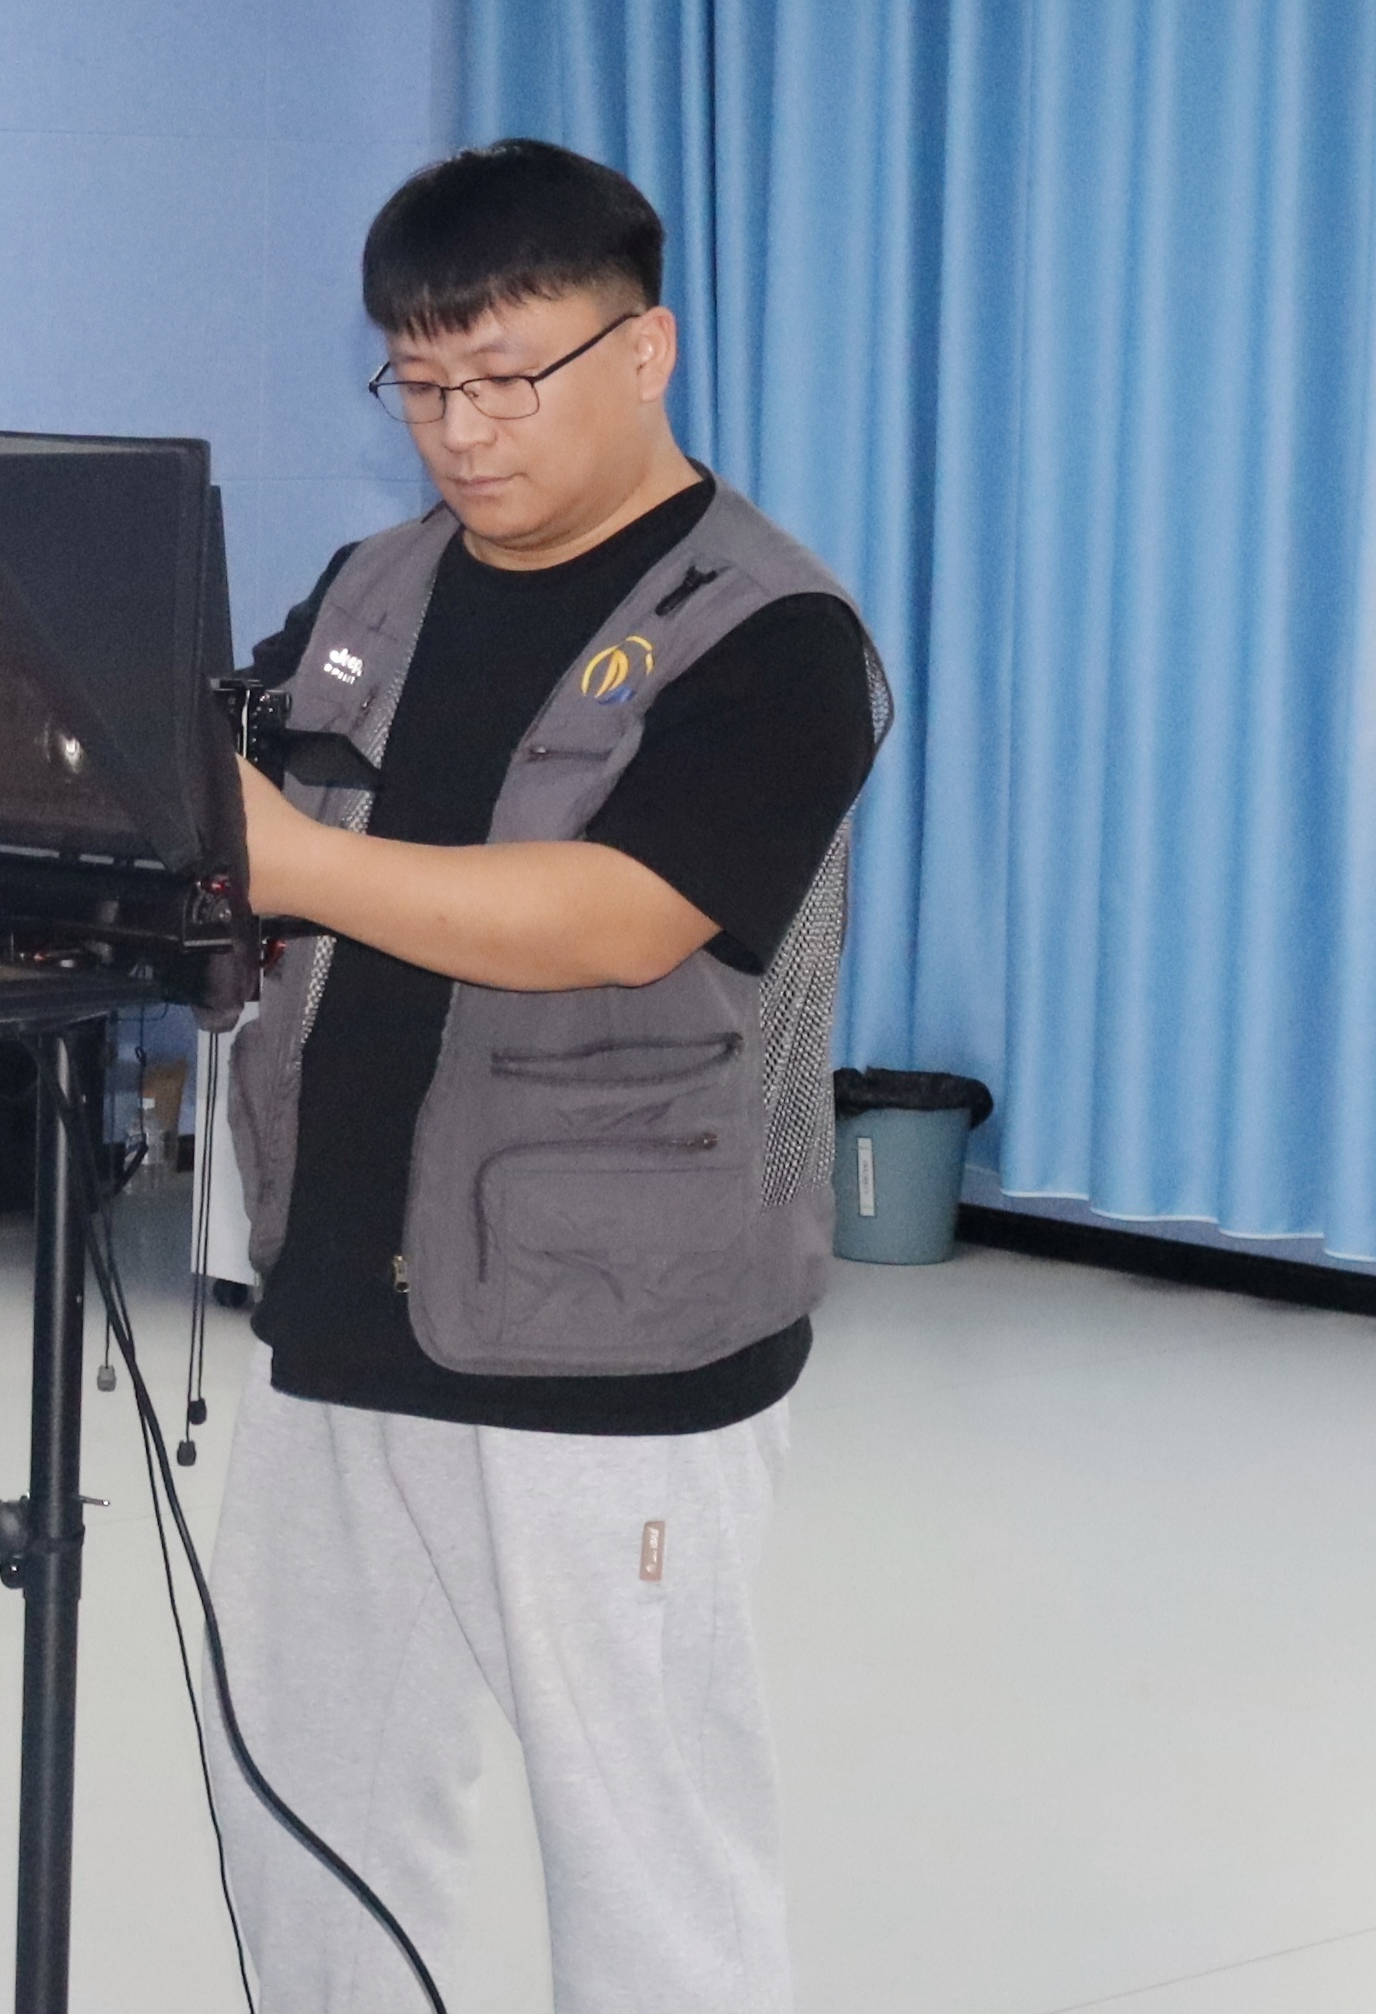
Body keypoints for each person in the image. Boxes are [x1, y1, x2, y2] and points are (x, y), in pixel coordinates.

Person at [213, 141, 883, 2014]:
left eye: (508, 377)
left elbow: (614, 916)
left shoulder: (775, 633)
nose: (462, 431)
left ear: (645, 348)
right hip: (339, 1299)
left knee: (648, 1858)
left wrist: (289, 862)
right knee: (315, 1826)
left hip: (613, 1340)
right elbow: (231, 807)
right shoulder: (371, 587)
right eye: (421, 384)